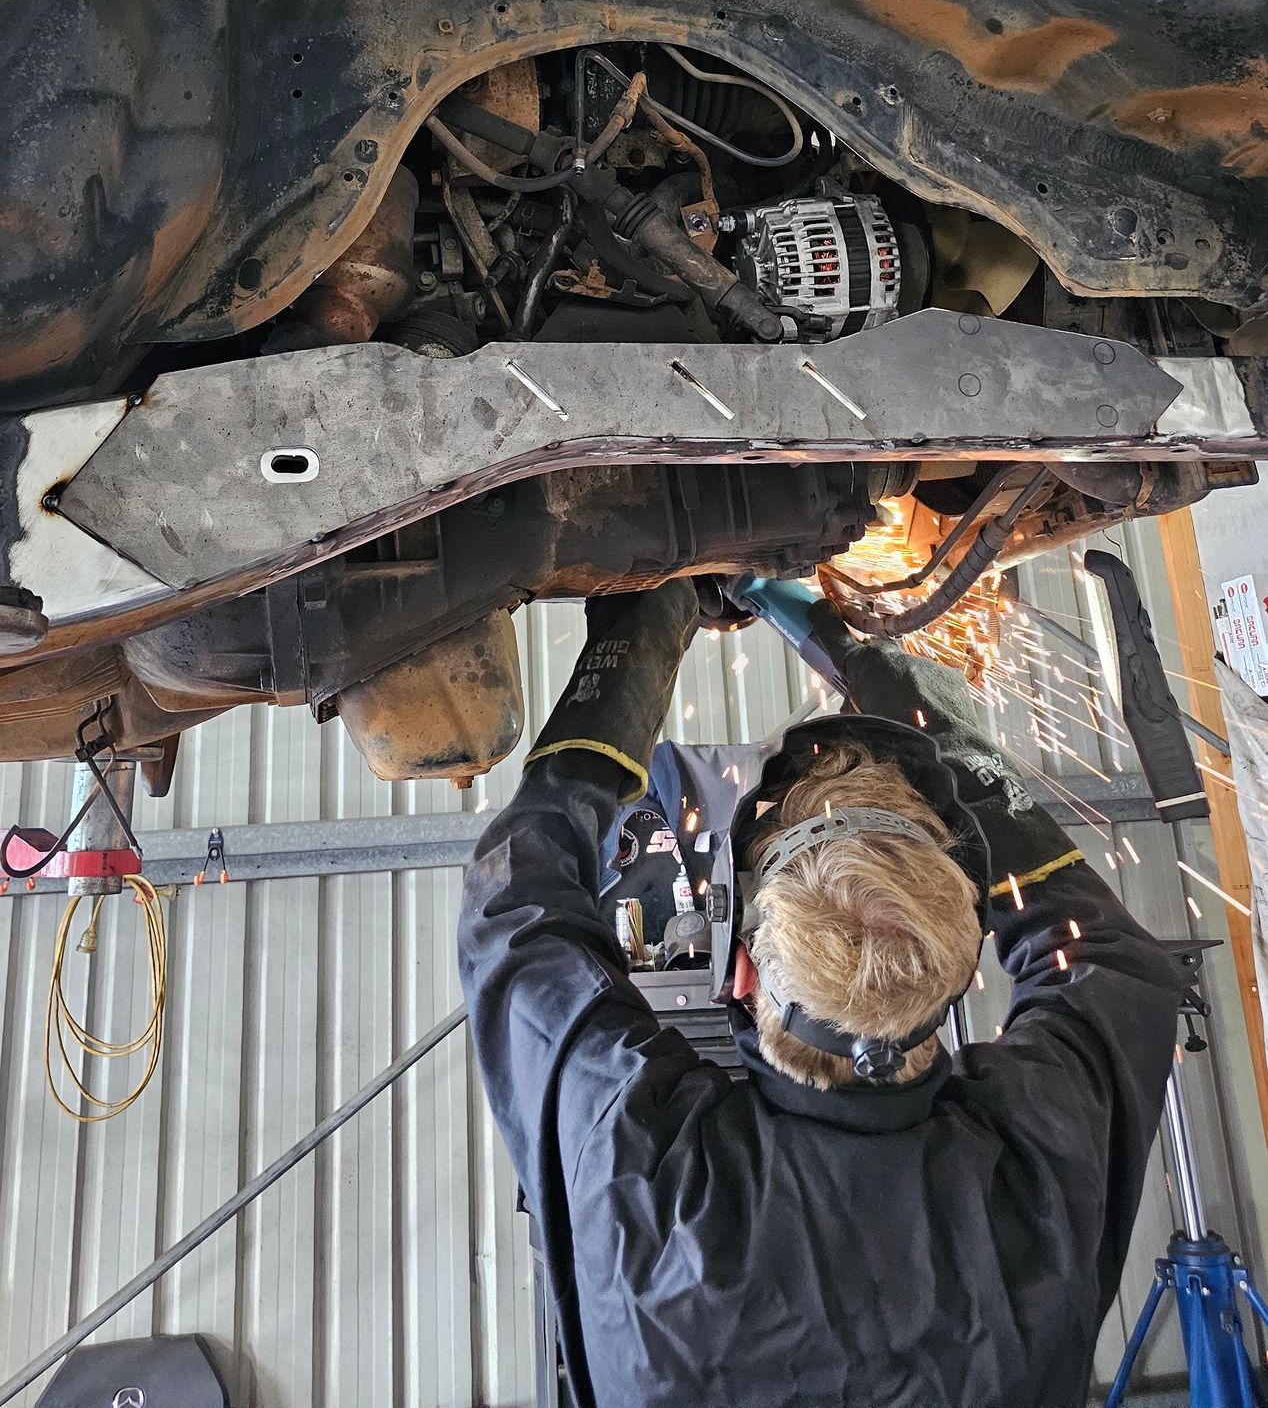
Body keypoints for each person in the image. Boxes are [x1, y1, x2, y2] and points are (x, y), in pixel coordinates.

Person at [457, 576, 1186, 1408]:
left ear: (737, 974)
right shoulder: (1032, 1170)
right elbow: (514, 911)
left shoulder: (656, 1178)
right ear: (957, 970)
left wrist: (655, 617)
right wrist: (878, 677)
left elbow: (515, 909)